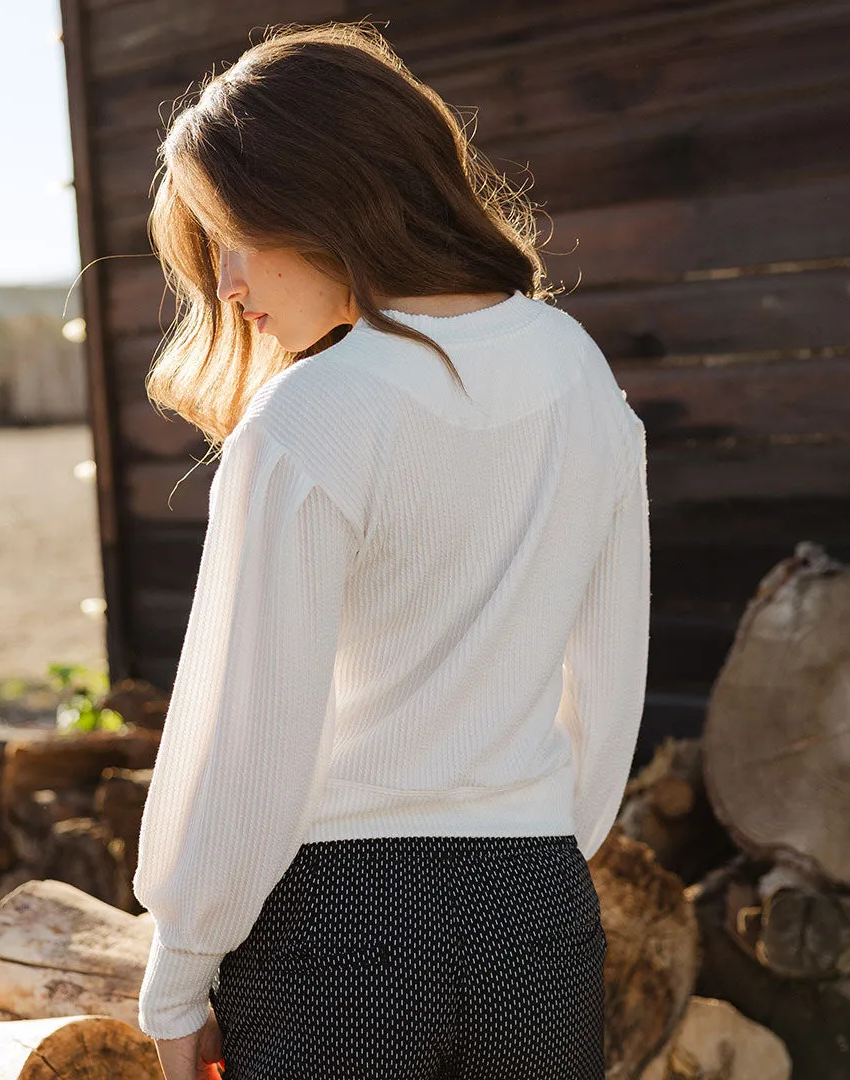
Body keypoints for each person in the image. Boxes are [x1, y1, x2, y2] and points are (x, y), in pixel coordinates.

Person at [130, 19, 650, 1080]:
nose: (226, 282)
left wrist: (180, 970)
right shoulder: (579, 373)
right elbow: (607, 677)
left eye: (234, 236)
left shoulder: (310, 415)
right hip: (540, 918)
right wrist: (533, 854)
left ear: (324, 203)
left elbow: (249, 732)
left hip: (340, 936)